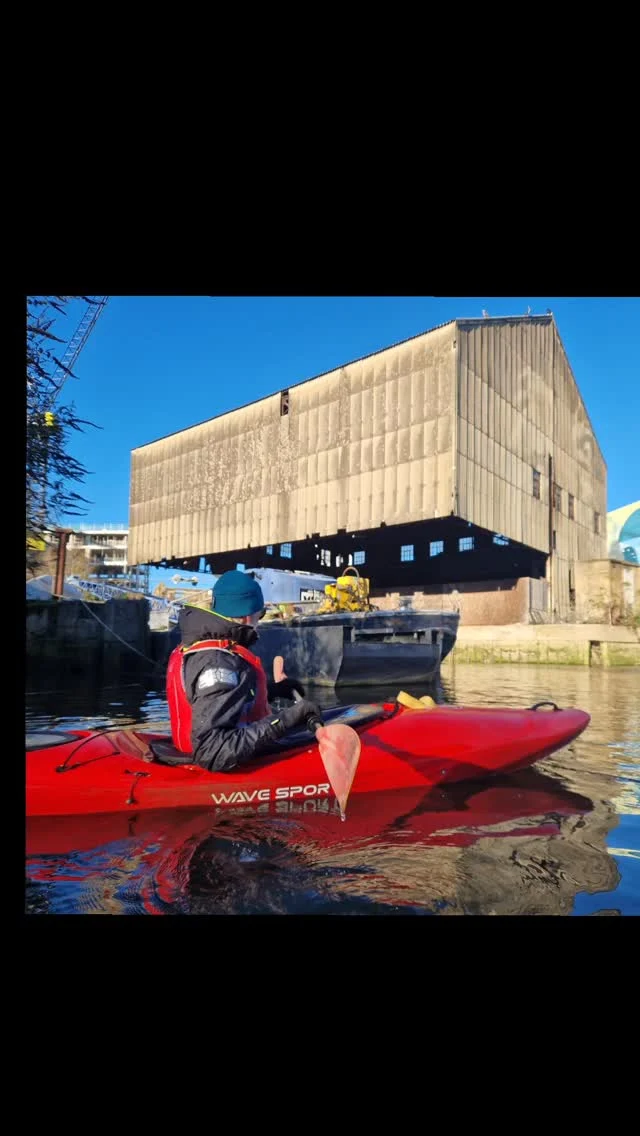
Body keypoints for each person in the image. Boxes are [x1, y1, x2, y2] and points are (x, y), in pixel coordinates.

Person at [166, 570, 322, 771]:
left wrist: (273, 691)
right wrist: (285, 719)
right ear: (249, 616)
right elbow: (213, 751)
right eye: (261, 614)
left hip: (191, 749)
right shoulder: (218, 661)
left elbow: (223, 697)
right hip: (207, 766)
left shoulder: (200, 647)